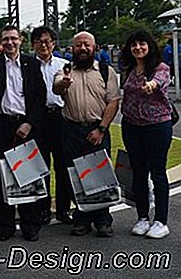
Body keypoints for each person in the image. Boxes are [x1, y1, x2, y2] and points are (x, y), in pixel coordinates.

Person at [0, 25, 46, 241]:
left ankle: (30, 224)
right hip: (1, 126)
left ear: (21, 41)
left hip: (25, 125)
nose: (9, 43)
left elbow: (39, 97)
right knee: (1, 176)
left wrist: (30, 123)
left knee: (27, 175)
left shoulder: (31, 63)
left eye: (13, 39)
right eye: (5, 39)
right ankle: (5, 225)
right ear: (0, 43)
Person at [53, 31, 121, 238]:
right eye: (78, 45)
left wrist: (101, 128)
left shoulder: (105, 71)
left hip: (97, 128)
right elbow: (56, 88)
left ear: (95, 48)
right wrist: (62, 84)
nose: (82, 48)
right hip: (72, 129)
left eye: (87, 45)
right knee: (75, 174)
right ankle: (81, 218)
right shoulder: (65, 70)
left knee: (100, 176)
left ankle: (103, 220)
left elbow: (113, 102)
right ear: (72, 49)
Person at [120, 30, 172, 239]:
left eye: (142, 44)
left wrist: (151, 85)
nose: (138, 48)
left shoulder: (161, 68)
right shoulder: (129, 69)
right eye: (134, 45)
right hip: (132, 126)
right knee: (138, 173)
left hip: (157, 126)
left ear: (149, 46)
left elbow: (158, 81)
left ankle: (161, 221)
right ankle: (142, 217)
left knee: (157, 172)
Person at [30, 26, 72, 225]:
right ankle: (43, 209)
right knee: (41, 166)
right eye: (39, 41)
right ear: (33, 45)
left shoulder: (64, 65)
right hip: (39, 119)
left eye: (47, 41)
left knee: (63, 165)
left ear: (54, 43)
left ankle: (63, 209)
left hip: (60, 118)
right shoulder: (28, 66)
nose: (43, 45)